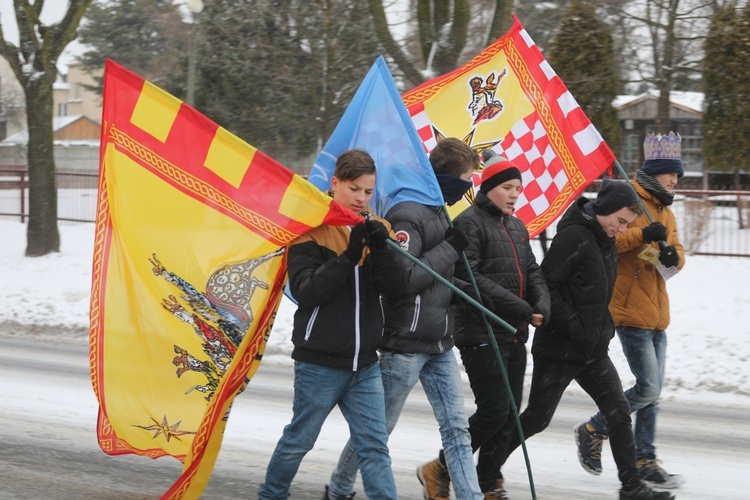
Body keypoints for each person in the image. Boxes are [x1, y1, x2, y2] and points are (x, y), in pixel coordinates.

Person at [492, 178, 675, 500]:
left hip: (592, 348)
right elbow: (547, 286)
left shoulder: (605, 239)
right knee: (536, 418)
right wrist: (575, 326)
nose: (622, 229)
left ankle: (631, 487)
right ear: (604, 210)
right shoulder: (574, 236)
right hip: (560, 347)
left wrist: (600, 329)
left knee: (618, 412)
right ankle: (485, 471)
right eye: (620, 222)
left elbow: (600, 291)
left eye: (627, 224)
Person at [324, 138, 483, 500]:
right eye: (466, 179)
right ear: (447, 179)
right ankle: (338, 489)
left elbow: (439, 279)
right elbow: (405, 280)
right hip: (406, 343)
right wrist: (449, 248)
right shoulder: (408, 214)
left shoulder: (441, 212)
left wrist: (478, 294)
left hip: (440, 341)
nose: (469, 187)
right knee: (377, 429)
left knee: (457, 428)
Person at [258, 149, 403, 500]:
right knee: (298, 441)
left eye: (368, 192)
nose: (361, 199)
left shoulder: (378, 227)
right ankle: (270, 495)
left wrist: (382, 252)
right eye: (354, 189)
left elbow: (397, 289)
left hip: (365, 363)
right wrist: (350, 256)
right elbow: (308, 292)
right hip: (320, 361)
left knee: (374, 447)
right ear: (335, 183)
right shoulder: (309, 227)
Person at [421, 150, 550, 499]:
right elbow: (469, 275)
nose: (514, 194)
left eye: (518, 189)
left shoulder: (518, 226)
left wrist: (541, 302)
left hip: (513, 332)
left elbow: (532, 270)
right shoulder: (469, 222)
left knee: (510, 415)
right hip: (480, 331)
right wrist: (520, 306)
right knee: (493, 411)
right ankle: (440, 466)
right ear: (489, 187)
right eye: (507, 187)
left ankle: (488, 479)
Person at [576, 132, 686, 489]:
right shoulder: (630, 199)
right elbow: (609, 237)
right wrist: (641, 235)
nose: (676, 180)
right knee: (648, 388)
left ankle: (645, 457)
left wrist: (673, 257)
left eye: (678, 175)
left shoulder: (666, 210)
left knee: (652, 391)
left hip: (656, 313)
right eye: (672, 173)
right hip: (628, 310)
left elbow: (677, 254)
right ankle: (594, 427)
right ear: (657, 171)